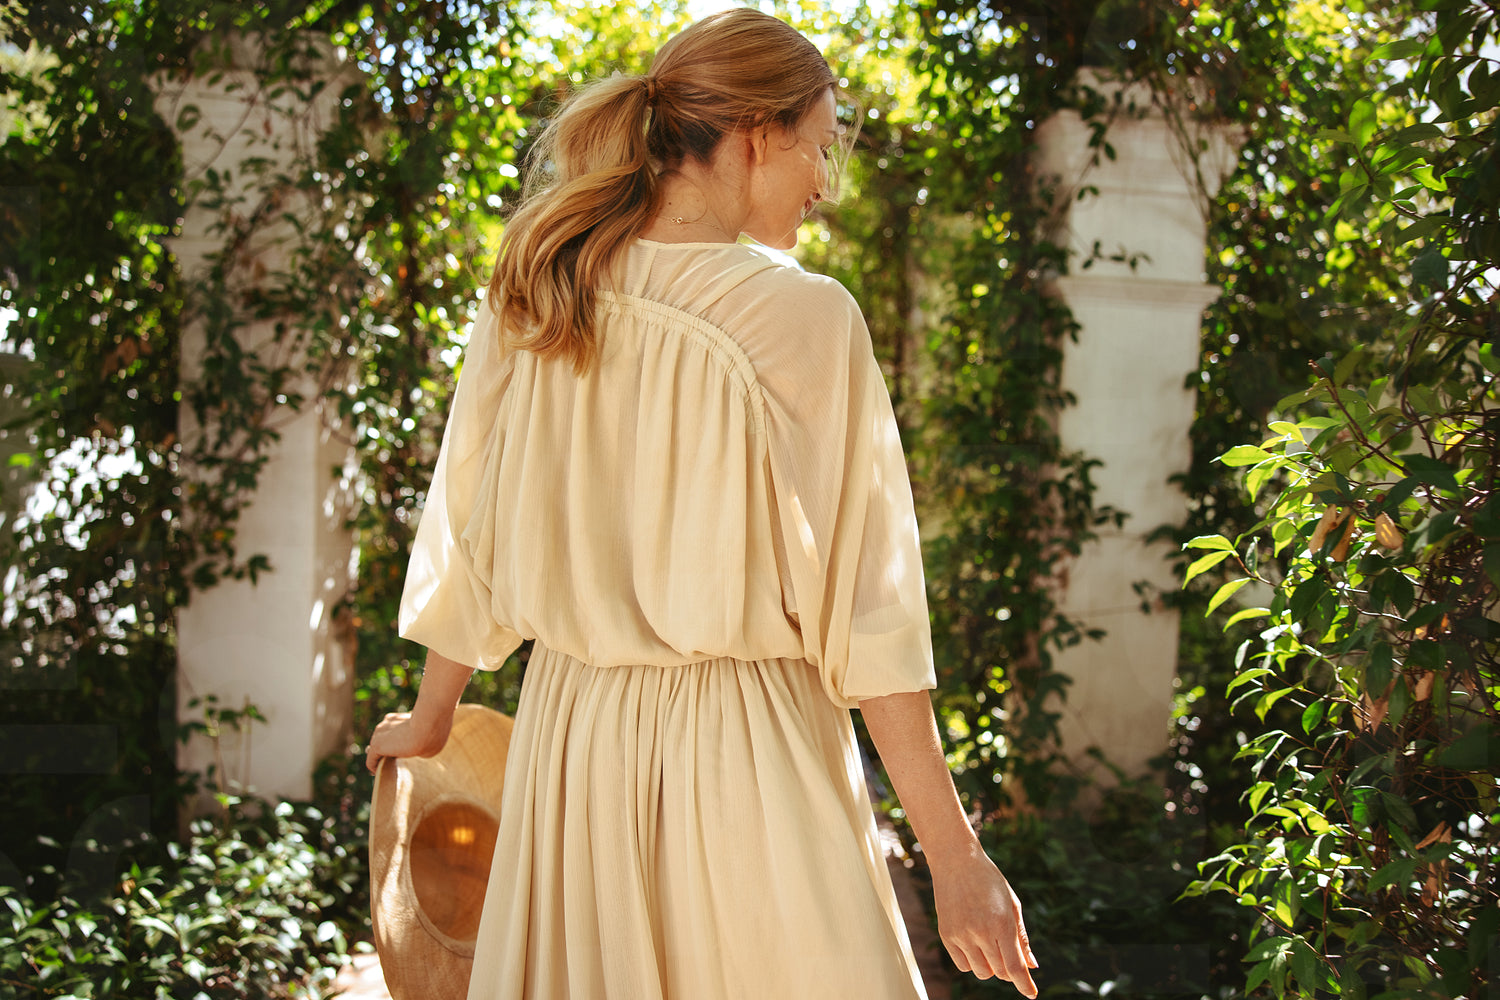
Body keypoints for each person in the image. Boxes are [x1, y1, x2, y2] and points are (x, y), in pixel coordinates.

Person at [365, 9, 1038, 1000]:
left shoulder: (541, 285)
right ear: (758, 135)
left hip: (573, 747)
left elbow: (472, 521)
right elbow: (869, 617)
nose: (824, 182)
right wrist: (955, 857)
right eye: (818, 147)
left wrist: (434, 715)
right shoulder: (806, 316)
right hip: (749, 753)